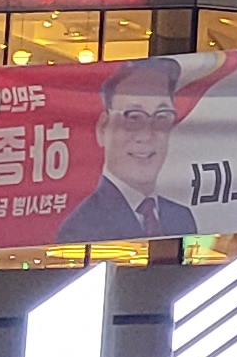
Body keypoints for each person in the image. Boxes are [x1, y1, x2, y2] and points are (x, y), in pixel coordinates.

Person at [51, 54, 199, 242]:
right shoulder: (82, 226)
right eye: (133, 117)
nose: (147, 135)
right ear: (103, 128)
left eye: (161, 116)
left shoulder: (180, 217)